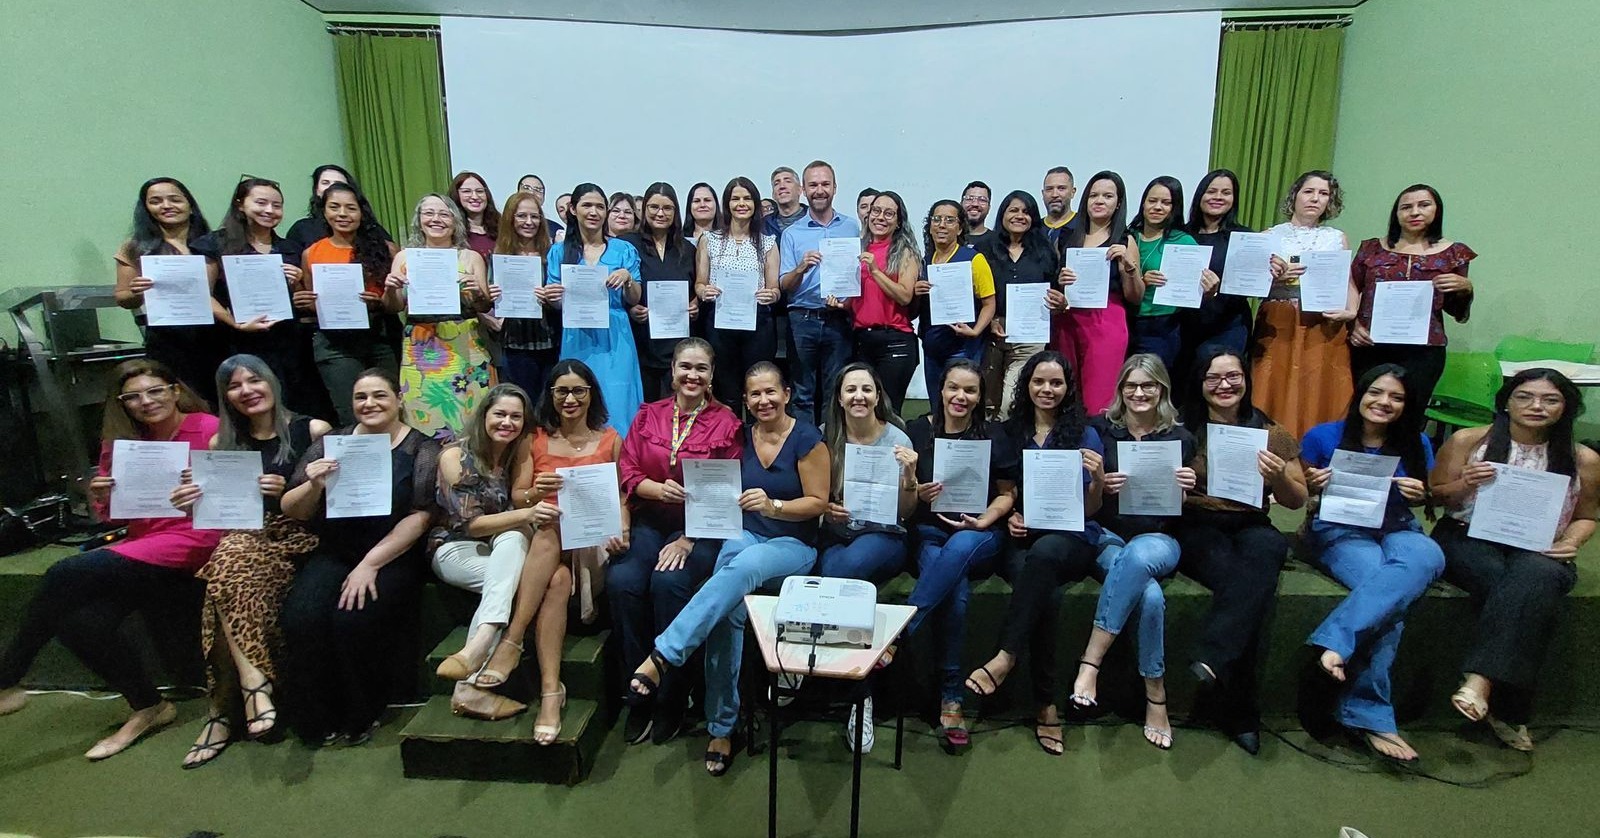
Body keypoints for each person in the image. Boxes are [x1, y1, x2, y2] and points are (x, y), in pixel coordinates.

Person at [0, 360, 219, 760]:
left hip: (196, 538)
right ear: (122, 404)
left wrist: (203, 493)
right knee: (76, 622)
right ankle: (149, 706)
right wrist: (101, 496)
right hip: (144, 545)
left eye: (154, 391)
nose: (145, 402)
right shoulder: (121, 443)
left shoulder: (207, 428)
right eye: (133, 396)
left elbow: (232, 498)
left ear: (174, 390)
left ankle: (7, 678)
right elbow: (116, 518)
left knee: (65, 571)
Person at [629, 362, 827, 775]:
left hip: (794, 544)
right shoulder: (741, 435)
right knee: (727, 608)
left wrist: (774, 506)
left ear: (787, 394)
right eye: (755, 394)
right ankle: (723, 725)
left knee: (745, 565)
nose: (763, 401)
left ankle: (665, 653)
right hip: (744, 535)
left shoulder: (808, 438)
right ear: (746, 401)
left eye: (771, 392)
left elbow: (818, 502)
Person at [169, 355, 331, 767]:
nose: (247, 391)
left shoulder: (312, 430)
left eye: (254, 380)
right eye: (235, 386)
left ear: (272, 382)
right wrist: (190, 505)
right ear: (226, 397)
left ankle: (222, 713)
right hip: (244, 539)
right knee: (230, 560)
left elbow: (328, 505)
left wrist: (285, 491)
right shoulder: (220, 444)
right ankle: (253, 684)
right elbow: (220, 515)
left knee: (222, 576)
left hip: (298, 537)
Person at [1429, 369, 1598, 752]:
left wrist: (1571, 541)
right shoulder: (1470, 441)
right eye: (1525, 397)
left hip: (1538, 546)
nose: (1536, 406)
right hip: (1466, 536)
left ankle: (1478, 682)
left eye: (1550, 400)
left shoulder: (1583, 458)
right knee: (1517, 589)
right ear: (1506, 401)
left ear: (1566, 407)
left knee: (1536, 573)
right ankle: (1510, 709)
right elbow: (1436, 496)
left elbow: (1587, 516)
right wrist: (1465, 484)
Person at [279, 368, 442, 745]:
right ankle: (319, 715)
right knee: (300, 618)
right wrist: (313, 485)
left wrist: (370, 564)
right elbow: (292, 508)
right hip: (334, 550)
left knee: (352, 618)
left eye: (379, 395)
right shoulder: (330, 443)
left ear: (398, 398)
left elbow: (421, 516)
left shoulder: (422, 448)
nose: (369, 404)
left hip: (392, 553)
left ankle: (361, 712)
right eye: (361, 397)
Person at [1298, 364, 1442, 766]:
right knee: (1386, 596)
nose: (1384, 403)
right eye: (1376, 393)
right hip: (1341, 530)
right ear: (1360, 394)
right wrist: (1312, 483)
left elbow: (1423, 499)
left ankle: (1334, 641)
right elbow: (1299, 491)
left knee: (1429, 555)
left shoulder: (1416, 443)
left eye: (1396, 397)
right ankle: (1371, 714)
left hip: (1397, 526)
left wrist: (1418, 493)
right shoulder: (1323, 436)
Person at [965, 351, 1103, 757]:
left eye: (1056, 383)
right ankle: (1046, 705)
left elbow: (1092, 508)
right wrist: (1010, 517)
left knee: (1045, 554)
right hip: (1022, 537)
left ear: (1067, 388)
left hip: (1073, 537)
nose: (1047, 390)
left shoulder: (1085, 434)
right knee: (1047, 594)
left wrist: (1095, 481)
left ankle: (1005, 658)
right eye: (1039, 382)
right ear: (1025, 385)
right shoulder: (1007, 432)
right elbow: (1005, 493)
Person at [432, 383, 582, 742]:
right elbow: (472, 524)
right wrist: (528, 511)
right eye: (499, 414)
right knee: (536, 569)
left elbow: (519, 508)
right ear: (484, 415)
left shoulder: (520, 455)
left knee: (537, 562)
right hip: (458, 549)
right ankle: (487, 652)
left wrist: (531, 499)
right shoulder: (455, 456)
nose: (507, 422)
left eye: (516, 416)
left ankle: (477, 662)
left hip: (506, 550)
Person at [1174, 347, 1307, 754]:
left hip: (1252, 521)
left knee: (1266, 551)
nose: (1224, 385)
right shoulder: (1182, 429)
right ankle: (1242, 713)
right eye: (1213, 378)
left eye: (1233, 376)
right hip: (1197, 523)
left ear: (1246, 381)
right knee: (1244, 585)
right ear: (1200, 384)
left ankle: (1214, 655)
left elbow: (1297, 499)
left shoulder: (1272, 433)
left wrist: (1279, 475)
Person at [610, 338, 742, 744]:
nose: (692, 375)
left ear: (711, 374)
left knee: (670, 583)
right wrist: (650, 490)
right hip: (649, 518)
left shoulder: (727, 422)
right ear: (671, 371)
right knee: (622, 581)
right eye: (685, 366)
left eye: (701, 368)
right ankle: (638, 694)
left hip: (701, 528)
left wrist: (688, 538)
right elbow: (627, 467)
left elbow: (726, 489)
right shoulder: (649, 414)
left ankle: (671, 696)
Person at [1067, 354, 1195, 750]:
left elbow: (1182, 505)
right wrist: (1099, 483)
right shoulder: (1100, 430)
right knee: (1151, 595)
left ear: (1162, 390)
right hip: (1106, 534)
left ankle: (1090, 663)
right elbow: (1080, 494)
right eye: (1131, 386)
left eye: (1149, 385)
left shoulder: (1181, 437)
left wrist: (1188, 489)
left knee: (1139, 558)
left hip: (1159, 538)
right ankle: (1156, 693)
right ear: (1121, 390)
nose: (1139, 393)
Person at [903, 359, 1016, 751]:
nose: (960, 397)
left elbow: (1007, 492)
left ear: (980, 396)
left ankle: (901, 631)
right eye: (954, 388)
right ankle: (951, 697)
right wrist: (918, 493)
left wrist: (985, 519)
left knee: (962, 546)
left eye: (970, 390)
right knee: (957, 594)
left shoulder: (994, 434)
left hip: (979, 534)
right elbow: (905, 495)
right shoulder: (918, 430)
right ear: (941, 388)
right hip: (930, 533)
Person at [191, 177, 320, 417]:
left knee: (290, 403)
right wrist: (236, 324)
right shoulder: (215, 243)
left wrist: (297, 280)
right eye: (261, 203)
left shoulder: (289, 247)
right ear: (240, 204)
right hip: (234, 340)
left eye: (277, 205)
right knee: (247, 407)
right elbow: (200, 294)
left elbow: (299, 299)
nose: (270, 210)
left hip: (285, 341)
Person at [514, 359, 628, 627]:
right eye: (561, 391)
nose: (570, 399)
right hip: (544, 531)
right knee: (555, 561)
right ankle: (516, 640)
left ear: (591, 394)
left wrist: (623, 530)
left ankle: (512, 637)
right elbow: (518, 497)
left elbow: (622, 497)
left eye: (578, 391)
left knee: (557, 547)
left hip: (593, 536)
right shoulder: (534, 439)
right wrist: (535, 491)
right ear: (550, 394)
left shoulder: (611, 440)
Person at [1349, 185, 1477, 410]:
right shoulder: (1371, 248)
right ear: (1396, 214)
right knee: (1364, 410)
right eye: (1406, 207)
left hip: (1423, 350)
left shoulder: (1453, 253)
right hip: (1369, 344)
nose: (1414, 212)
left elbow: (1455, 311)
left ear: (1436, 210)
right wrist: (1353, 324)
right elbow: (1349, 289)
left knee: (1410, 412)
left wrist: (1465, 288)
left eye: (1424, 205)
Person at [1252, 171, 1357, 439]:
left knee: (1317, 388)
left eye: (1324, 194)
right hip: (1279, 318)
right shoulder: (1269, 235)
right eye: (1309, 191)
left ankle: (1313, 454)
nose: (1315, 199)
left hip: (1322, 322)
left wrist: (1350, 311)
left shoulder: (1336, 237)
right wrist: (1273, 276)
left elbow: (1348, 282)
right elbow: (1250, 284)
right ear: (1295, 195)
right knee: (1272, 383)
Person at [385, 194, 496, 442]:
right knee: (423, 413)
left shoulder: (470, 258)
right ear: (419, 220)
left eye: (444, 214)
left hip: (465, 344)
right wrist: (390, 288)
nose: (436, 219)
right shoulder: (404, 258)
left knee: (470, 416)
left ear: (455, 220)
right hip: (421, 347)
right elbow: (393, 307)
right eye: (429, 213)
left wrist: (477, 290)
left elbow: (484, 304)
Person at [295, 182, 402, 425]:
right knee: (352, 413)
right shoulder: (312, 253)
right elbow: (314, 304)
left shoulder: (386, 249)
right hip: (334, 343)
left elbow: (396, 302)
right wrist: (303, 299)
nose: (342, 214)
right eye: (334, 207)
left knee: (391, 407)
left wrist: (377, 301)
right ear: (324, 211)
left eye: (350, 208)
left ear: (361, 212)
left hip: (379, 337)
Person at [112, 177, 225, 404]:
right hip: (168, 340)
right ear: (146, 209)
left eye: (175, 199)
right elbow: (123, 297)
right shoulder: (135, 246)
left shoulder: (215, 243)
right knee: (180, 403)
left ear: (190, 205)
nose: (166, 206)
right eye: (156, 201)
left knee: (220, 403)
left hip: (218, 336)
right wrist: (138, 292)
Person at [547, 183, 645, 436]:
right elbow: (556, 303)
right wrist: (552, 297)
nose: (594, 212)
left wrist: (628, 278)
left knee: (619, 400)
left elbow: (634, 299)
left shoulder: (623, 249)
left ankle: (622, 463)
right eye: (587, 205)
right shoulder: (559, 252)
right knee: (576, 397)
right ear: (573, 209)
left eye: (600, 206)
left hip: (615, 336)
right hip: (576, 334)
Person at [817, 362, 916, 584]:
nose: (859, 396)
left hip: (883, 534)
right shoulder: (825, 435)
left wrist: (910, 478)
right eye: (851, 390)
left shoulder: (898, 441)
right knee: (834, 567)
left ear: (878, 397)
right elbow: (815, 495)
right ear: (840, 399)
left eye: (867, 390)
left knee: (842, 570)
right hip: (836, 534)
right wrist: (826, 509)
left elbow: (905, 512)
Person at [779, 160, 862, 424]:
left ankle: (830, 449)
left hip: (839, 319)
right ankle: (806, 453)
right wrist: (801, 267)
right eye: (813, 185)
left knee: (835, 391)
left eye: (825, 184)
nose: (819, 190)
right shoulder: (792, 233)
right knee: (802, 392)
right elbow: (784, 285)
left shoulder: (852, 228)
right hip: (802, 320)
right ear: (803, 189)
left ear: (835, 188)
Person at [1055, 171, 1141, 413]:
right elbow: (1058, 288)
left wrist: (1129, 267)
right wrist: (1060, 283)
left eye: (1107, 196)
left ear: (1118, 203)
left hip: (1106, 322)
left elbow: (1135, 296)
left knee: (1098, 399)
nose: (1099, 200)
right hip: (1067, 321)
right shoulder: (1067, 237)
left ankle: (1095, 449)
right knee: (1066, 396)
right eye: (1093, 195)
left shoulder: (1125, 240)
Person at [696, 177, 782, 408]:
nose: (741, 204)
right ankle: (729, 441)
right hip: (720, 323)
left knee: (758, 386)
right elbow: (699, 283)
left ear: (755, 204)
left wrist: (771, 295)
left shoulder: (768, 243)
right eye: (735, 199)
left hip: (758, 324)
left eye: (747, 198)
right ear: (727, 204)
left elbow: (775, 288)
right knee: (726, 390)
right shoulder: (709, 240)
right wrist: (705, 291)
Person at [980, 191, 1065, 419]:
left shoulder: (1045, 250)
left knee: (1012, 402)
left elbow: (1057, 290)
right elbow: (975, 293)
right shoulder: (985, 249)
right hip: (993, 334)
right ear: (1003, 214)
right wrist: (989, 321)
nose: (1020, 216)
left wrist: (1060, 302)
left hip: (1030, 338)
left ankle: (1011, 450)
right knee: (987, 402)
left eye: (1026, 212)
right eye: (1013, 210)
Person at [837, 190, 920, 413]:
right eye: (876, 211)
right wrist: (841, 303)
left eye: (889, 213)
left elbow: (904, 295)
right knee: (862, 411)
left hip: (895, 341)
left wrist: (875, 270)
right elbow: (862, 298)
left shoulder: (905, 252)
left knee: (887, 411)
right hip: (862, 340)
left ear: (899, 221)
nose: (880, 217)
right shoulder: (858, 249)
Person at [624, 183, 700, 402]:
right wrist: (630, 308)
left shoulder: (687, 249)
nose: (660, 213)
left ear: (675, 212)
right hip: (641, 341)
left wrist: (696, 304)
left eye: (667, 208)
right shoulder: (628, 245)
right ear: (643, 209)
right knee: (644, 406)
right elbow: (618, 288)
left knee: (677, 407)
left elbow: (698, 287)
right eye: (654, 207)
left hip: (677, 344)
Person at [916, 200, 997, 402]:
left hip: (963, 347)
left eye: (950, 220)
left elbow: (989, 303)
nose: (942, 225)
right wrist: (915, 292)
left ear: (960, 228)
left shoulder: (974, 259)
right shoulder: (924, 261)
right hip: (932, 347)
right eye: (937, 219)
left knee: (959, 403)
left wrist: (976, 330)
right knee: (937, 404)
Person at [1178, 169, 1255, 378]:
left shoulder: (1245, 237)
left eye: (1226, 193)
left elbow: (1252, 286)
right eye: (1211, 191)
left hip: (1230, 325)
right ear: (1200, 195)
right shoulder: (1180, 235)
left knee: (1221, 381)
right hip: (1184, 326)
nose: (1218, 197)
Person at [1127, 176, 1204, 372]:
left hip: (1164, 325)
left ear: (1174, 207)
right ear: (1143, 203)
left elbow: (1195, 287)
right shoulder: (1128, 236)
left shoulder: (1184, 241)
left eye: (1166, 202)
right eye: (1152, 201)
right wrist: (1140, 280)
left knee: (1155, 381)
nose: (1157, 207)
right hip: (1126, 321)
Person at [491, 190, 561, 399]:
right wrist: (490, 295)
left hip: (550, 340)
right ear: (510, 219)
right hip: (515, 342)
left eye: (535, 216)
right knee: (521, 402)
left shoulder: (552, 254)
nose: (529, 222)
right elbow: (485, 302)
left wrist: (552, 296)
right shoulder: (499, 257)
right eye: (522, 216)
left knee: (548, 404)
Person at [285, 164, 396, 250]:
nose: (332, 187)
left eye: (338, 183)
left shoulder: (371, 228)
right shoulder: (302, 229)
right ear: (316, 190)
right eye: (325, 182)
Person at [450, 171, 500, 258]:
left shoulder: (501, 227)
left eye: (479, 191)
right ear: (456, 195)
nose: (475, 197)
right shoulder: (451, 230)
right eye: (467, 191)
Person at [763, 166, 808, 238]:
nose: (782, 186)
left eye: (788, 181)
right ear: (773, 195)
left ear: (800, 190)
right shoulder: (764, 225)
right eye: (776, 183)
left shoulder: (814, 218)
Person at [516, 173, 564, 240]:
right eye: (526, 188)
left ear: (543, 198)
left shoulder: (556, 230)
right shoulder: (503, 225)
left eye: (538, 189)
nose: (532, 193)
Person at [1040, 166, 1077, 241]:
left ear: (1072, 192)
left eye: (1061, 188)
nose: (1054, 195)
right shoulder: (1033, 229)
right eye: (1049, 189)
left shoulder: (1084, 226)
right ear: (1043, 194)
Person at [960, 181, 994, 246]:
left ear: (989, 207)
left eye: (982, 200)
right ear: (961, 204)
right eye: (969, 199)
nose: (975, 204)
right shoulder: (951, 238)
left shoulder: (998, 241)